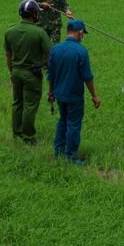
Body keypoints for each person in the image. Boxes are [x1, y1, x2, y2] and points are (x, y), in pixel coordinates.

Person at [47, 20, 101, 165]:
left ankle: (58, 151)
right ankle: (71, 156)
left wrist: (50, 92)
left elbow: (50, 74)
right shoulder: (81, 51)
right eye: (83, 34)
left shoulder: (55, 49)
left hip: (59, 95)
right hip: (74, 96)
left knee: (62, 121)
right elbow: (87, 77)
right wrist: (94, 96)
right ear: (80, 32)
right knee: (73, 124)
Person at [4, 0, 51, 145]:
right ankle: (29, 137)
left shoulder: (10, 31)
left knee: (17, 102)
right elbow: (49, 54)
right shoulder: (39, 32)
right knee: (30, 105)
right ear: (34, 14)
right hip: (32, 74)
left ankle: (17, 133)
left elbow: (8, 55)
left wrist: (12, 71)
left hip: (16, 71)